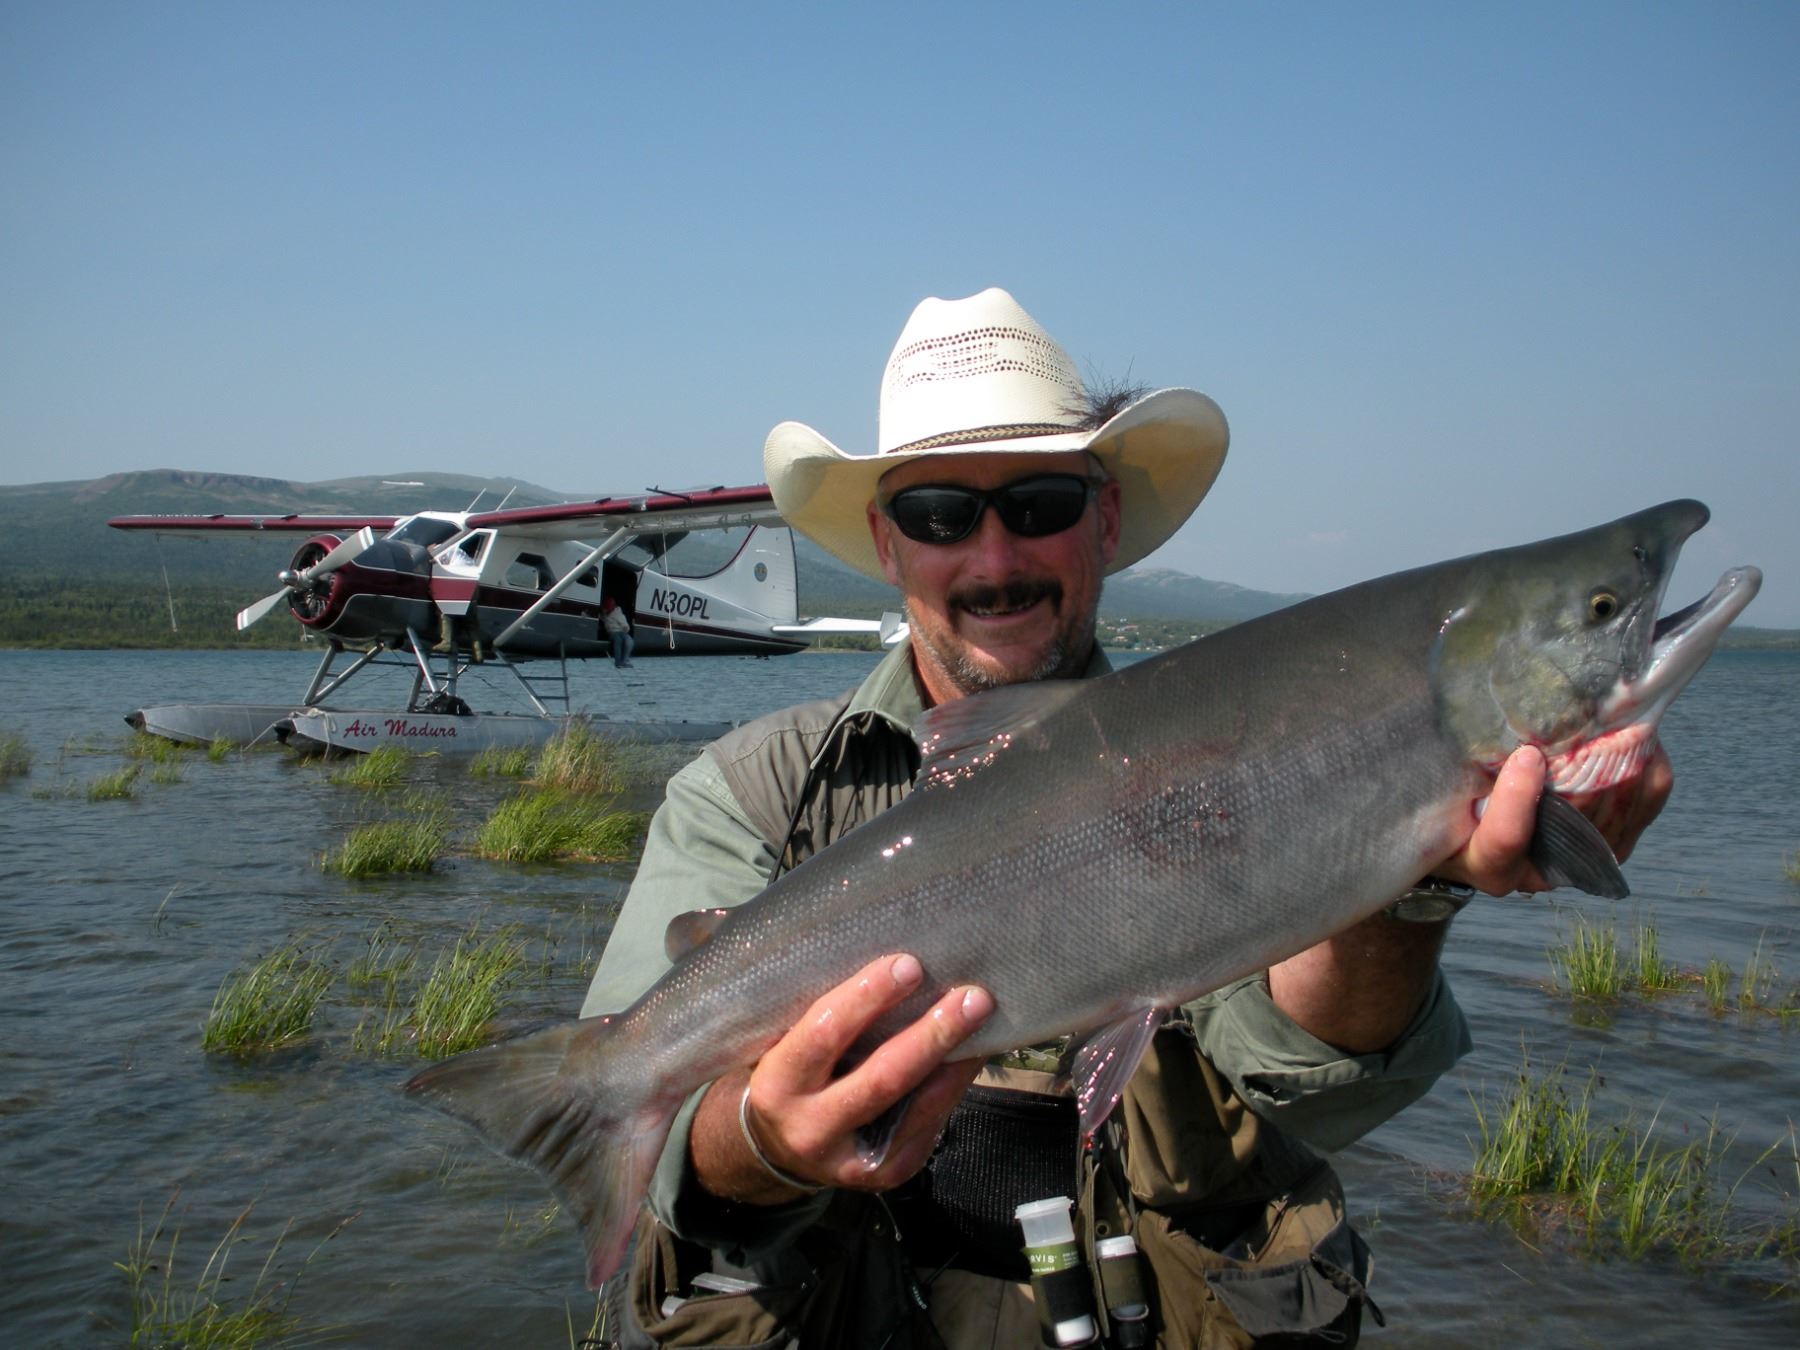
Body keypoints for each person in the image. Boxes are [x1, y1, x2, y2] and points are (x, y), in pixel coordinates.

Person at [581, 289, 1671, 1348]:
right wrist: (759, 1141)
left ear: (1102, 518)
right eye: (939, 514)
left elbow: (1304, 1089)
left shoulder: (1240, 754)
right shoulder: (747, 794)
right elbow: (678, 1166)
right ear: (886, 540)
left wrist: (1417, 880)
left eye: (1040, 504)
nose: (995, 558)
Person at [602, 595, 634, 668]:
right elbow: (602, 618)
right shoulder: (605, 615)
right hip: (612, 633)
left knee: (629, 640)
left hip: (622, 632)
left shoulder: (618, 614)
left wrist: (625, 631)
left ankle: (624, 661)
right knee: (618, 639)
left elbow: (626, 626)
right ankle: (618, 662)